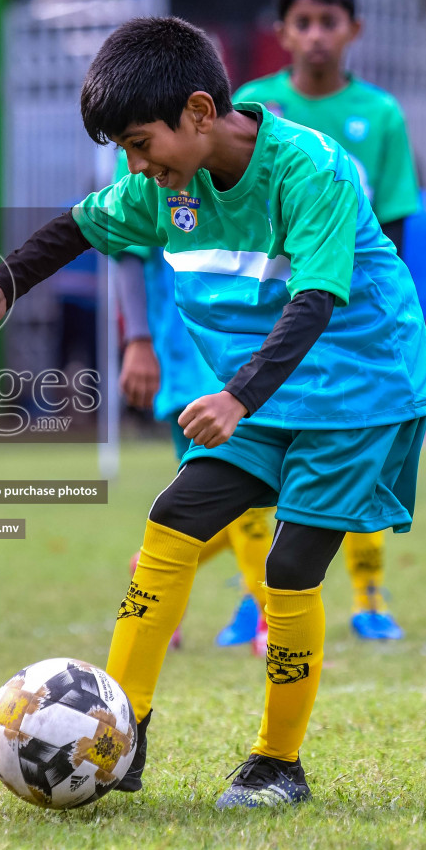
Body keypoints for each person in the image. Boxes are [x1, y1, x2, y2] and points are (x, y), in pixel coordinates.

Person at [0, 17, 426, 808]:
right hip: (266, 396)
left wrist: (236, 395)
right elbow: (79, 226)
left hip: (360, 393)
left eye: (140, 143)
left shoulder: (306, 169)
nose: (134, 166)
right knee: (174, 518)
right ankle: (121, 731)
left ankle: (277, 764)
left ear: (197, 112)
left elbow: (317, 297)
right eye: (123, 149)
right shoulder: (164, 187)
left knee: (289, 567)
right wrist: (3, 283)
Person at [225, 0, 424, 642]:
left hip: (354, 319)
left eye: (328, 22)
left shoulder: (380, 116)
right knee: (257, 454)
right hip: (274, 318)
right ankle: (255, 599)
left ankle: (370, 596)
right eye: (302, 23)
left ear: (353, 30)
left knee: (351, 455)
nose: (315, 36)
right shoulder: (254, 104)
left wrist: (384, 312)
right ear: (282, 32)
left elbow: (393, 224)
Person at [115, 242, 274, 655]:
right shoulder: (144, 175)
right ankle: (273, 627)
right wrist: (137, 338)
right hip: (191, 352)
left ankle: (153, 564)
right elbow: (126, 245)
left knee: (248, 499)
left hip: (255, 344)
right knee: (245, 493)